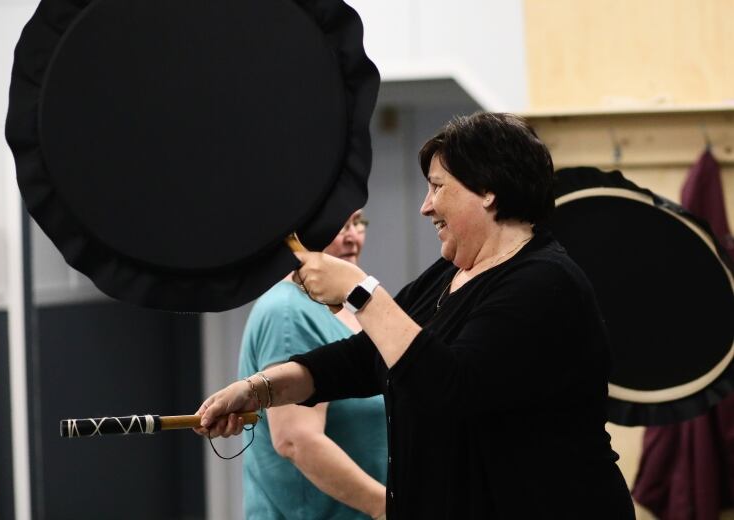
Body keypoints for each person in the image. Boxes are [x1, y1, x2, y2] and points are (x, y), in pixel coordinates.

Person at [195, 113, 636, 519]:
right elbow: (361, 358)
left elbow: (451, 389)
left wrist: (359, 291)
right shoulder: (450, 273)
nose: (426, 206)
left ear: (487, 190)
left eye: (438, 186)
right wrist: (259, 389)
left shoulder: (543, 283)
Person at [235, 210, 387, 519]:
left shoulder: (349, 310)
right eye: (338, 224)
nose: (352, 236)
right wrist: (386, 507)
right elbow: (296, 440)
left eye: (358, 222)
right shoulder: (287, 312)